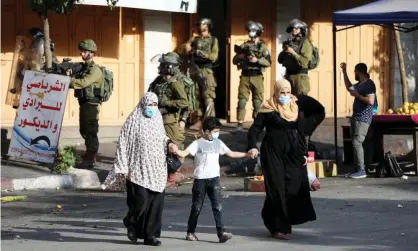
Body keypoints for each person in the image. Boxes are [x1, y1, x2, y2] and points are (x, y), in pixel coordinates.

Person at [102, 92, 179, 246]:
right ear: (143, 104)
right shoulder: (133, 121)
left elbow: (162, 137)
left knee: (155, 204)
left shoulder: (157, 119)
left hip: (157, 169)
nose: (152, 108)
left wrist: (170, 143)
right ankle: (131, 222)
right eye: (149, 104)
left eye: (155, 105)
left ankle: (151, 236)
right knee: (140, 201)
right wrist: (122, 165)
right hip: (137, 169)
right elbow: (122, 144)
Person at [247, 79, 316, 240]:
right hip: (272, 153)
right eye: (281, 93)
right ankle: (280, 228)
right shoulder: (268, 108)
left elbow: (301, 132)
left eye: (287, 92)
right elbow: (255, 129)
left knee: (293, 186)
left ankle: (269, 214)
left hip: (293, 153)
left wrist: (304, 153)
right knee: (277, 188)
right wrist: (252, 146)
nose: (284, 96)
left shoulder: (295, 107)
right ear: (276, 92)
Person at [175, 116, 252, 243]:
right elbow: (184, 153)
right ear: (206, 131)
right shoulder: (197, 143)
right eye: (215, 132)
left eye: (218, 131)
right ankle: (190, 232)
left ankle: (221, 232)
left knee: (218, 206)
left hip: (214, 179)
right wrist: (175, 149)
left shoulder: (218, 143)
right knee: (197, 207)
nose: (217, 134)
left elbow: (231, 153)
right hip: (200, 180)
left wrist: (247, 154)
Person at [148, 52, 189, 185]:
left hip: (169, 120)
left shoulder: (175, 84)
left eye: (162, 65)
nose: (159, 67)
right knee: (158, 148)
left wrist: (167, 103)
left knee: (174, 147)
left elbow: (184, 102)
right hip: (156, 119)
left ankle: (173, 176)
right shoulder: (159, 82)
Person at [66, 39, 103, 168]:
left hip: (91, 104)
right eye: (82, 52)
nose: (82, 54)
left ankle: (91, 156)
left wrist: (67, 81)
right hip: (84, 103)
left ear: (91, 53)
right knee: (84, 129)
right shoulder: (84, 67)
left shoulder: (95, 70)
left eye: (85, 52)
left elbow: (82, 83)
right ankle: (89, 153)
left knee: (91, 131)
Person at [233, 21, 272, 132]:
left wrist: (257, 60)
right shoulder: (244, 45)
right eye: (249, 31)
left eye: (253, 31)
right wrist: (240, 56)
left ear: (258, 32)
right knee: (242, 101)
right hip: (245, 76)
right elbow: (234, 60)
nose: (250, 33)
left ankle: (257, 125)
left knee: (257, 102)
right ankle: (240, 124)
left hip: (257, 76)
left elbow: (269, 62)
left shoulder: (263, 47)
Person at [182, 18, 219, 130]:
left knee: (208, 96)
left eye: (202, 25)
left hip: (206, 70)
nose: (200, 27)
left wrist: (202, 54)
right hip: (194, 69)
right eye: (199, 25)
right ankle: (198, 121)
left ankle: (210, 123)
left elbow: (214, 57)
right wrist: (187, 46)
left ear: (207, 26)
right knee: (195, 96)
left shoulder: (213, 40)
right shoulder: (194, 38)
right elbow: (185, 49)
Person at [340, 62, 376, 179]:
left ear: (359, 72)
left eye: (354, 72)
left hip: (363, 118)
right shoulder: (360, 84)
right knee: (355, 142)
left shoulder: (369, 84)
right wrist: (344, 72)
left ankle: (361, 169)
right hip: (356, 117)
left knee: (357, 142)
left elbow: (370, 101)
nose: (354, 74)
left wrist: (357, 95)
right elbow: (349, 87)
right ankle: (357, 168)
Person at [278, 19, 313, 95]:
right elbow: (280, 60)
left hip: (300, 77)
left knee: (300, 101)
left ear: (301, 30)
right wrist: (284, 51)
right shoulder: (289, 43)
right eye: (292, 28)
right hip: (288, 75)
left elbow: (304, 62)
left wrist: (293, 53)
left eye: (296, 28)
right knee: (288, 101)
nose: (294, 30)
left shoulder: (306, 43)